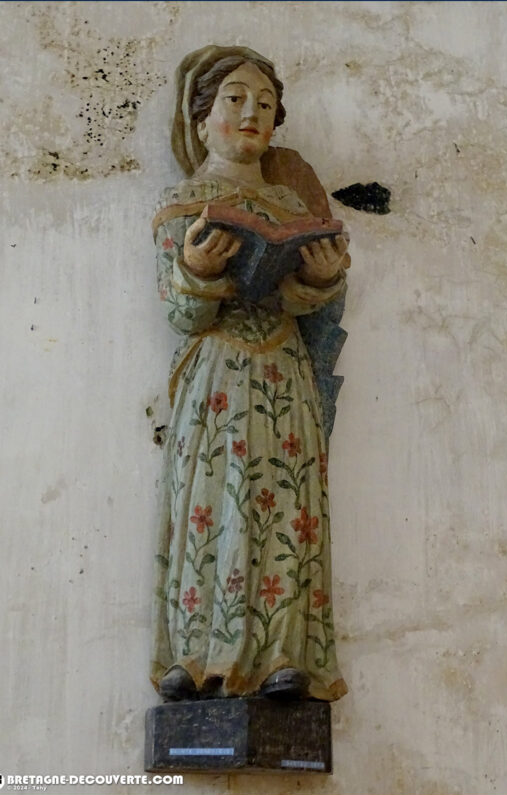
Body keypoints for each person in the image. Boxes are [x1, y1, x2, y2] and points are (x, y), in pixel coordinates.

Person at [150, 45, 349, 703]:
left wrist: (318, 280)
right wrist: (200, 270)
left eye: (264, 103)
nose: (251, 113)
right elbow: (181, 313)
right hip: (218, 376)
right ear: (201, 118)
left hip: (284, 375)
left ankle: (284, 657)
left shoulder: (290, 200)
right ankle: (198, 654)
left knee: (284, 504)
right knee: (213, 504)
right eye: (234, 98)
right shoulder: (184, 202)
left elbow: (298, 298)